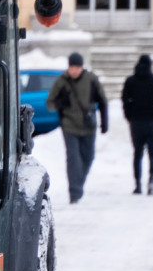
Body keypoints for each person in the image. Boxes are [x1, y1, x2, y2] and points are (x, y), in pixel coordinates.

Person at [46, 52, 109, 204]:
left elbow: (103, 101)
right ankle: (74, 193)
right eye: (72, 67)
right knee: (73, 159)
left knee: (88, 157)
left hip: (88, 126)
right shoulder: (61, 81)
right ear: (68, 67)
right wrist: (61, 103)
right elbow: (50, 103)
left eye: (77, 67)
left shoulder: (91, 79)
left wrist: (105, 123)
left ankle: (78, 184)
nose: (74, 70)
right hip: (69, 126)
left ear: (81, 67)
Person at [121, 54, 153, 196]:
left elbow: (125, 100)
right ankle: (151, 182)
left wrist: (129, 116)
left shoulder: (130, 81)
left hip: (137, 122)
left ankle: (138, 185)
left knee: (137, 154)